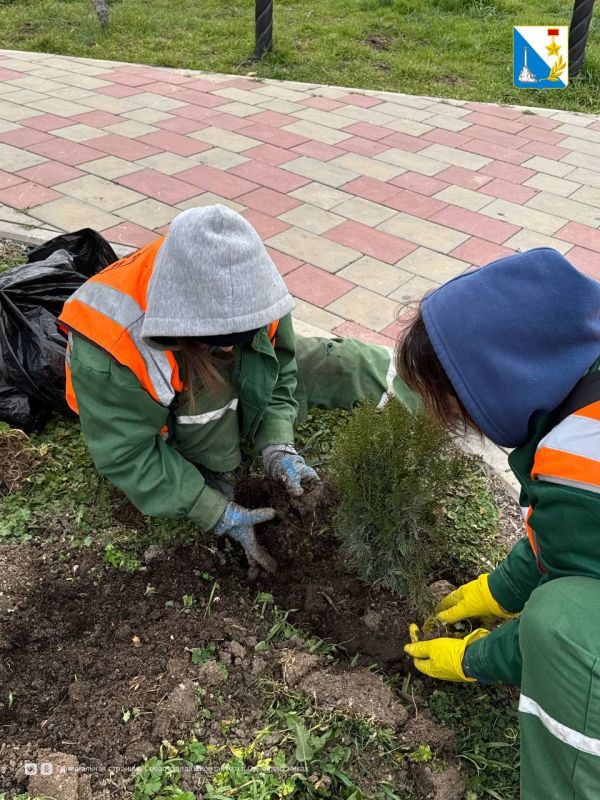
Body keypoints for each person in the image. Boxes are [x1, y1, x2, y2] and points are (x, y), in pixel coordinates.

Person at [59, 204, 415, 573]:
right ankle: (212, 468)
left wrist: (277, 444)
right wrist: (212, 509)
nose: (229, 350)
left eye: (240, 338)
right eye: (219, 343)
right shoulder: (110, 350)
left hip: (185, 348)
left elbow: (279, 367)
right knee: (209, 410)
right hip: (127, 404)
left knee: (336, 362)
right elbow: (127, 453)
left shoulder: (251, 286)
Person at [399, 248, 600, 799]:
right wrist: (498, 589)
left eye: (453, 401)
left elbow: (579, 623)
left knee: (558, 622)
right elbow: (584, 548)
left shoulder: (578, 463)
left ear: (497, 379)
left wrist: (473, 659)